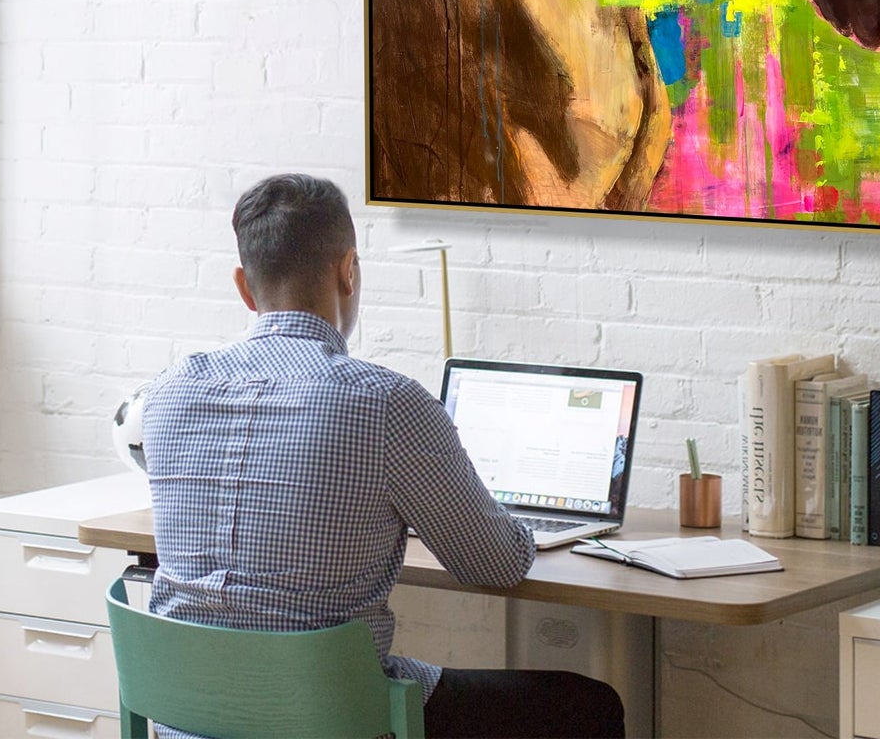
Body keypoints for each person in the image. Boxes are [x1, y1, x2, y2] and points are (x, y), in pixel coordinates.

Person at [143, 174, 626, 739]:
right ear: (348, 271)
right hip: (333, 720)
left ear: (244, 289)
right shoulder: (385, 403)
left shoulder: (168, 393)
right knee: (587, 706)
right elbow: (494, 564)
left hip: (186, 719)